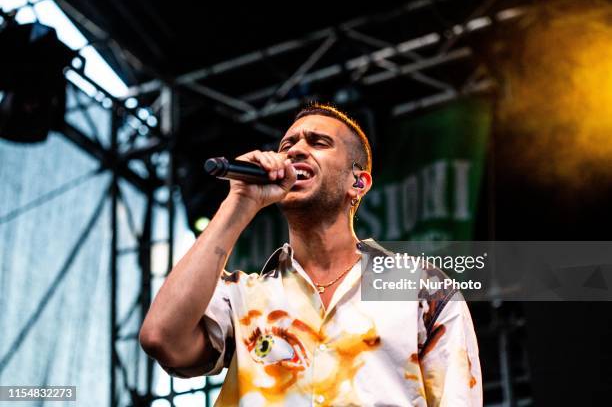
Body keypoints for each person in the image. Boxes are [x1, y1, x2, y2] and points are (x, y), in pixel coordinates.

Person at [139, 103, 482, 406]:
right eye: (287, 145)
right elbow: (161, 338)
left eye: (318, 143)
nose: (295, 151)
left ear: (358, 183)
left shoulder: (421, 289)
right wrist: (239, 202)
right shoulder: (243, 298)